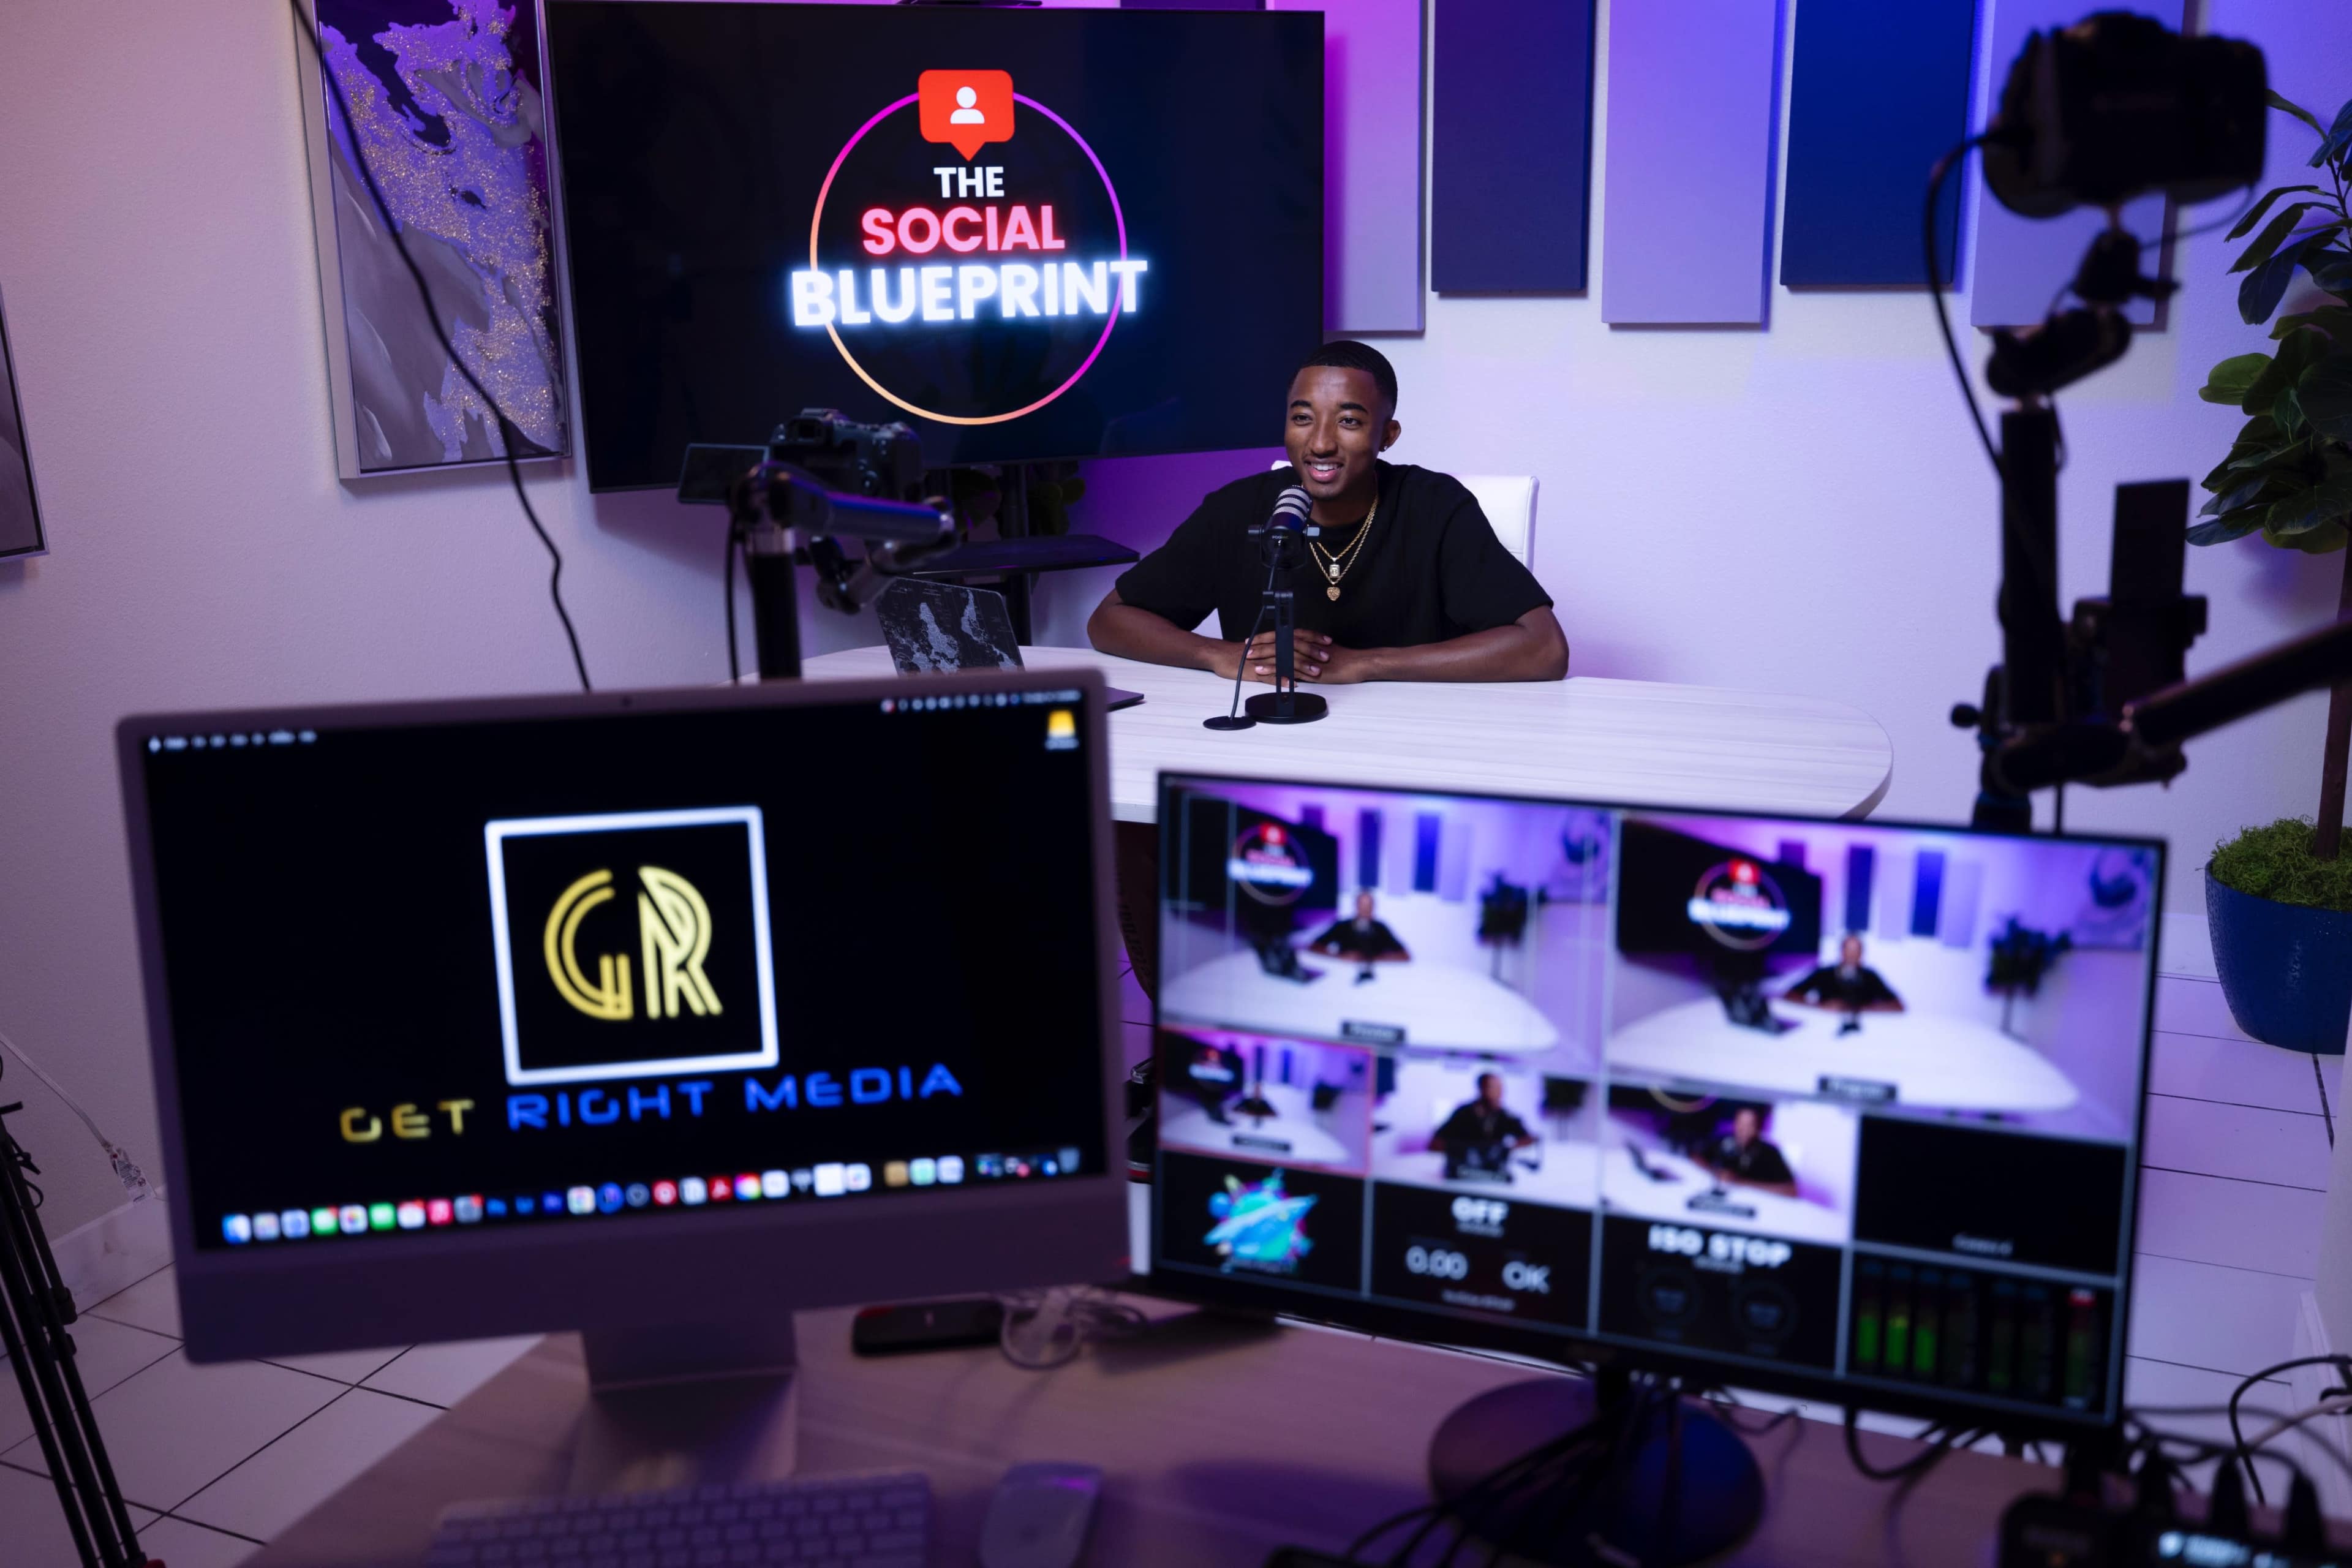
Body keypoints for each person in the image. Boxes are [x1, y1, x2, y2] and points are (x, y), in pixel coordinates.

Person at [1086, 341, 1569, 685]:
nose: (1320, 443)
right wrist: (1218, 655)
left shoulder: (1434, 506)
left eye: (1349, 421)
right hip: (1270, 742)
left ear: (1387, 436)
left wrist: (1364, 665)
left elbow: (1544, 648)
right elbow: (1109, 620)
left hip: (1413, 739)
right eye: (1302, 418)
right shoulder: (1235, 509)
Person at [1427, 1072, 1537, 1178]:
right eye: (1492, 1087)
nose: (1499, 1092)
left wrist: (1506, 1148)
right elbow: (1435, 1143)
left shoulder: (1506, 1116)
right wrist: (1459, 1149)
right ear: (1481, 1089)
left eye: (1500, 1088)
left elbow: (1528, 1138)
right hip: (1463, 1170)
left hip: (1493, 1173)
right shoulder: (1464, 1113)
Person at [1782, 934, 1905, 1017]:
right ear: (1841, 952)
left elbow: (1898, 1005)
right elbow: (1790, 994)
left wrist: (1859, 1009)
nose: (1852, 955)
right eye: (1848, 950)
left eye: (1856, 951)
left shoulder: (1870, 976)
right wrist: (1820, 1006)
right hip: (1823, 1025)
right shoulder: (1824, 973)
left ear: (1861, 954)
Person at [1698, 1107, 1798, 1197]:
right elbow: (1696, 1157)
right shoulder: (1723, 1142)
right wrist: (1715, 1172)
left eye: (1749, 1125)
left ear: (1758, 1128)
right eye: (1740, 1124)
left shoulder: (1770, 1153)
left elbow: (1791, 1191)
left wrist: (1743, 1182)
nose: (1743, 1130)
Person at [1308, 891, 1411, 971]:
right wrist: (1339, 956)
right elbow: (1314, 946)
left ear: (1373, 908)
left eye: (1368, 906)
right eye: (1362, 905)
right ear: (1356, 906)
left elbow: (1405, 955)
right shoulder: (1342, 926)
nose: (1365, 909)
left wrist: (1370, 958)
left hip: (1374, 976)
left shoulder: (1381, 928)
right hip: (1342, 972)